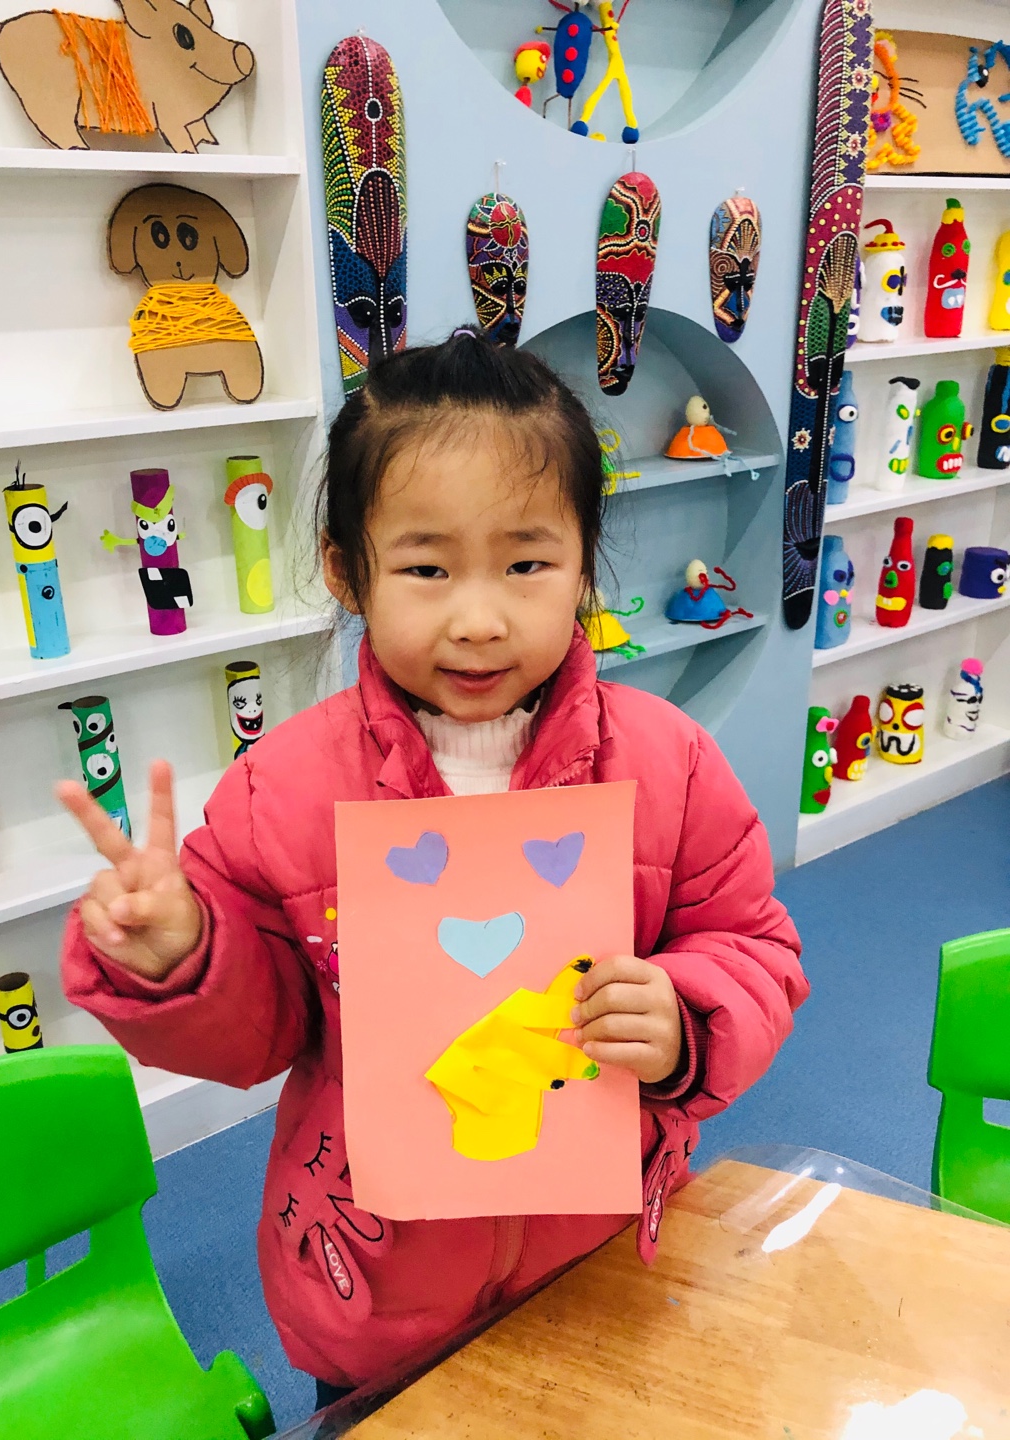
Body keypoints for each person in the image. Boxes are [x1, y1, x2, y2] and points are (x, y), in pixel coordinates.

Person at [59, 331, 807, 1411]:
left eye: (527, 563)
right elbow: (259, 1030)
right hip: (376, 1278)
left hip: (596, 1257)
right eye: (425, 568)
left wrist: (686, 1018)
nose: (479, 619)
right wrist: (181, 957)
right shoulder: (284, 790)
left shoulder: (670, 763)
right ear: (346, 571)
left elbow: (753, 946)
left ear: (584, 559)